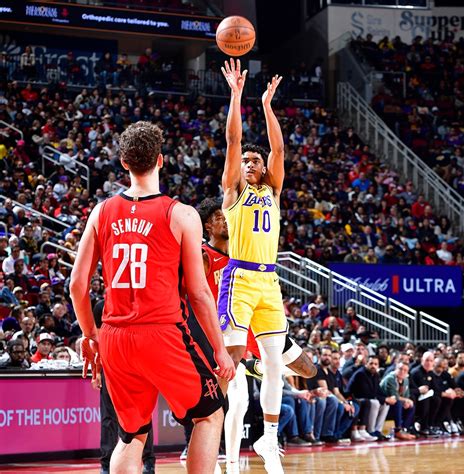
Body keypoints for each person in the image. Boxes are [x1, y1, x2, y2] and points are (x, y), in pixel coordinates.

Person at [70, 121, 235, 474]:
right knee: (209, 415)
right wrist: (219, 349)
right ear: (161, 160)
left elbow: (77, 285)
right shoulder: (181, 214)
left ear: (124, 163)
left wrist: (89, 336)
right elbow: (200, 293)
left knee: (132, 435)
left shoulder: (101, 212)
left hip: (114, 337)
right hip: (162, 333)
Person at [192, 198, 316, 472]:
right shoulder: (202, 256)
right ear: (207, 226)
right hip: (224, 333)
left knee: (308, 369)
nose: (225, 220)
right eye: (218, 217)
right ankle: (228, 464)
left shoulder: (243, 252)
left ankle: (256, 366)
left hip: (256, 326)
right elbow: (194, 299)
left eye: (226, 215)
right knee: (237, 400)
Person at [219, 59, 286, 473]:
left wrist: (267, 105)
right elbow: (231, 140)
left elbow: (278, 149)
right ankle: (216, 431)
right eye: (246, 161)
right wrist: (237, 94)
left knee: (276, 364)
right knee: (232, 366)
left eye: (255, 161)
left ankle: (269, 437)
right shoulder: (232, 193)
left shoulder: (274, 190)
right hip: (239, 278)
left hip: (270, 282)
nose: (250, 163)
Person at [92, 300, 155, 474]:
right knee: (108, 417)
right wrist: (97, 372)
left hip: (139, 363)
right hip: (111, 365)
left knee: (143, 417)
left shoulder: (140, 303)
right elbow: (98, 342)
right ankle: (105, 464)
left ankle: (149, 462)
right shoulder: (100, 307)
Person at [379, 362, 416, 440]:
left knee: (411, 407)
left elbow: (406, 395)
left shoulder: (406, 380)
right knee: (398, 403)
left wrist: (406, 402)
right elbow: (394, 397)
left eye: (405, 370)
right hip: (383, 405)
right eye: (400, 369)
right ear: (396, 369)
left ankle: (404, 429)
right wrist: (407, 400)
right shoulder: (390, 379)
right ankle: (398, 431)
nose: (402, 372)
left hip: (395, 405)